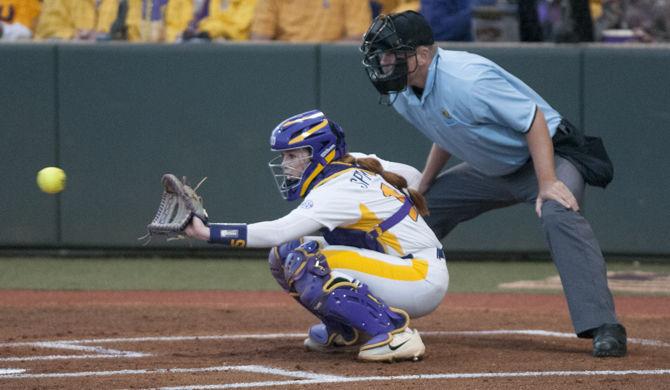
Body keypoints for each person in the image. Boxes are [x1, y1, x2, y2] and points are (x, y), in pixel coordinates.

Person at [360, 11, 626, 357]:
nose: (384, 61)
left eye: (393, 52)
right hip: (492, 167)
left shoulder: (467, 79)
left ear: (422, 56)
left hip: (549, 155)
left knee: (559, 211)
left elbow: (534, 121)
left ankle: (604, 325)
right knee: (415, 215)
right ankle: (364, 314)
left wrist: (547, 182)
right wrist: (424, 186)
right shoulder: (402, 91)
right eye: (382, 53)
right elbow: (447, 129)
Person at [183, 109, 449, 362]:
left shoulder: (338, 187)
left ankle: (393, 334)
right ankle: (346, 329)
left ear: (319, 153)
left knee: (308, 261)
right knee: (285, 252)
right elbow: (412, 175)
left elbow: (278, 230)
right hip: (406, 266)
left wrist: (207, 232)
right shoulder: (353, 161)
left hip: (419, 277)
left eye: (292, 155)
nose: (285, 164)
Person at [250, 0, 371, 42]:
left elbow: (359, 38)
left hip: (333, 69)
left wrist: (324, 56)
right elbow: (259, 40)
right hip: (283, 68)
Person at [165, 0, 257, 43]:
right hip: (182, 49)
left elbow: (239, 30)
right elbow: (171, 26)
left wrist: (208, 31)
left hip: (230, 52)